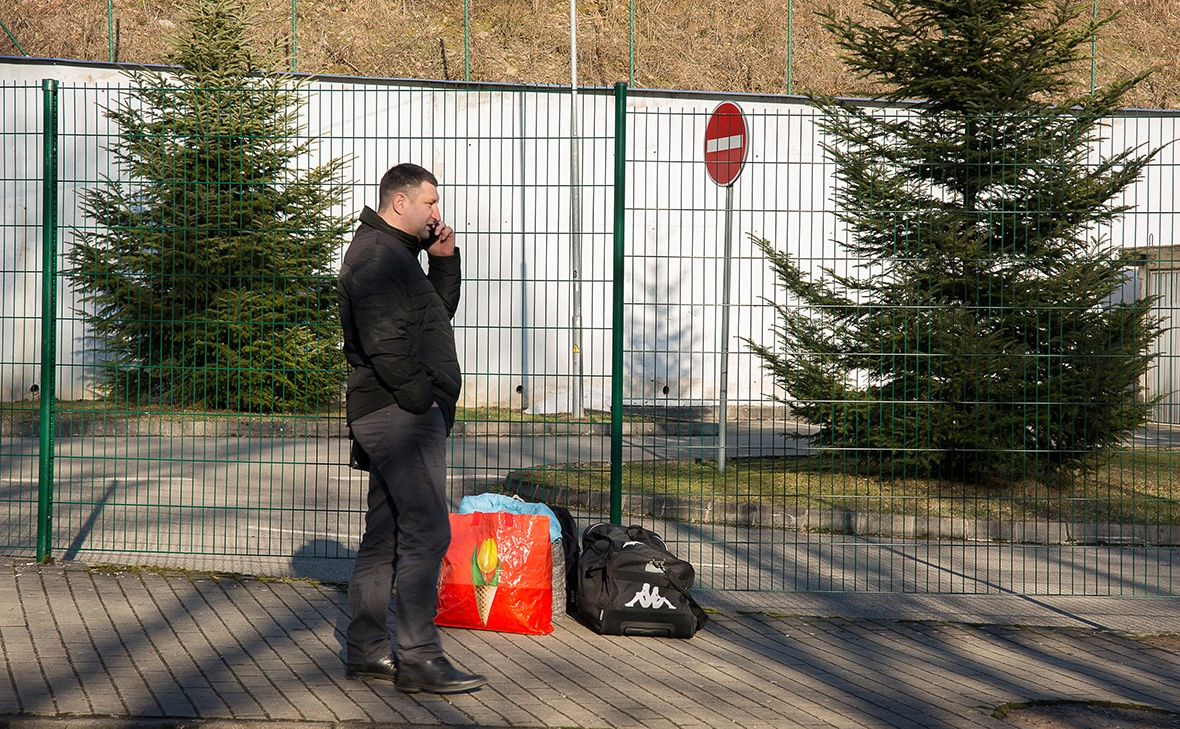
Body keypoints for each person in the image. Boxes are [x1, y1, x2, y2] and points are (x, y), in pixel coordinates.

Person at [336, 163, 487, 694]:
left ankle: (366, 651)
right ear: (399, 203)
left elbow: (431, 319)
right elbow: (385, 343)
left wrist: (443, 262)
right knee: (428, 530)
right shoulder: (377, 257)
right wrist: (422, 400)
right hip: (400, 415)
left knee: (385, 535)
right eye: (431, 203)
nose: (437, 214)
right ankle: (419, 658)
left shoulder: (397, 255)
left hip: (396, 412)